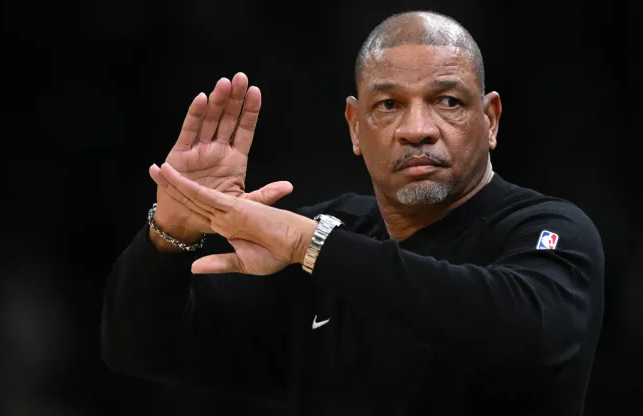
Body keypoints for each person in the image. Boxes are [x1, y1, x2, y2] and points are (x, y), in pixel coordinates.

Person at [101, 10, 604, 416]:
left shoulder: (547, 229)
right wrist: (171, 234)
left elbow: (523, 333)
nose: (417, 129)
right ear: (355, 127)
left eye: (447, 101)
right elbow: (141, 347)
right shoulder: (326, 241)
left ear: (489, 119)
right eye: (388, 105)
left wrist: (310, 245)